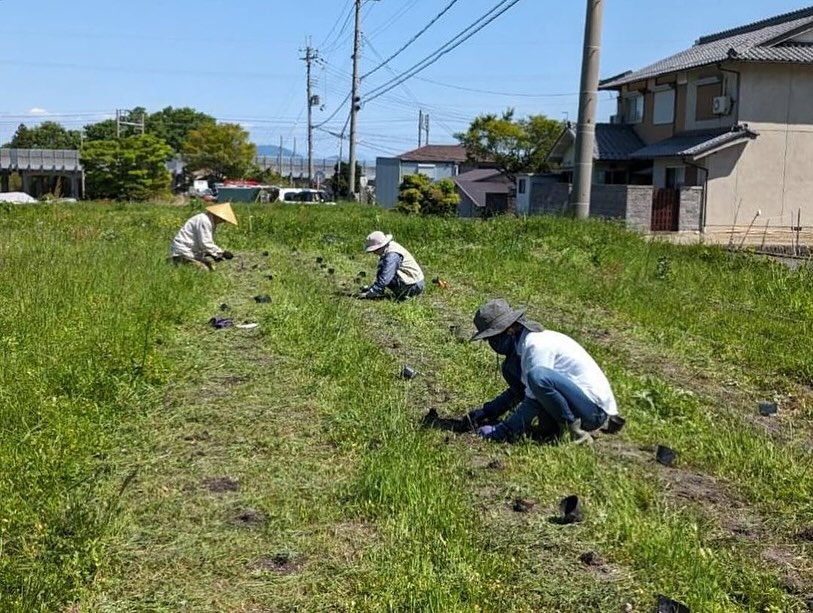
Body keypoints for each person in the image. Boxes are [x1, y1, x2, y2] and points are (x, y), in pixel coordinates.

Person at [466, 299, 620, 444]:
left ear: (510, 330)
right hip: (577, 405)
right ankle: (550, 430)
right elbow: (519, 392)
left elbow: (533, 399)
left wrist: (502, 432)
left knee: (538, 377)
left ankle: (575, 432)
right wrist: (488, 411)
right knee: (513, 371)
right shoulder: (522, 349)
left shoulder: (535, 345)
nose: (492, 344)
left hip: (593, 413)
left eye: (493, 338)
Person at [359, 231, 425, 300]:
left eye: (374, 250)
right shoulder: (391, 246)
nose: (374, 253)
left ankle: (380, 291)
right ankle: (378, 290)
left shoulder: (392, 255)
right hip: (414, 283)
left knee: (383, 270)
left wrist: (372, 291)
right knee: (382, 268)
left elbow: (386, 276)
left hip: (413, 285)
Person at [170, 203, 237, 270]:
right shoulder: (204, 221)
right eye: (223, 219)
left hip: (192, 251)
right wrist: (221, 252)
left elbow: (203, 242)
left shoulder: (208, 221)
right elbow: (205, 243)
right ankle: (176, 262)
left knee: (211, 267)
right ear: (218, 216)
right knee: (203, 270)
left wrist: (213, 255)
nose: (223, 222)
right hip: (183, 251)